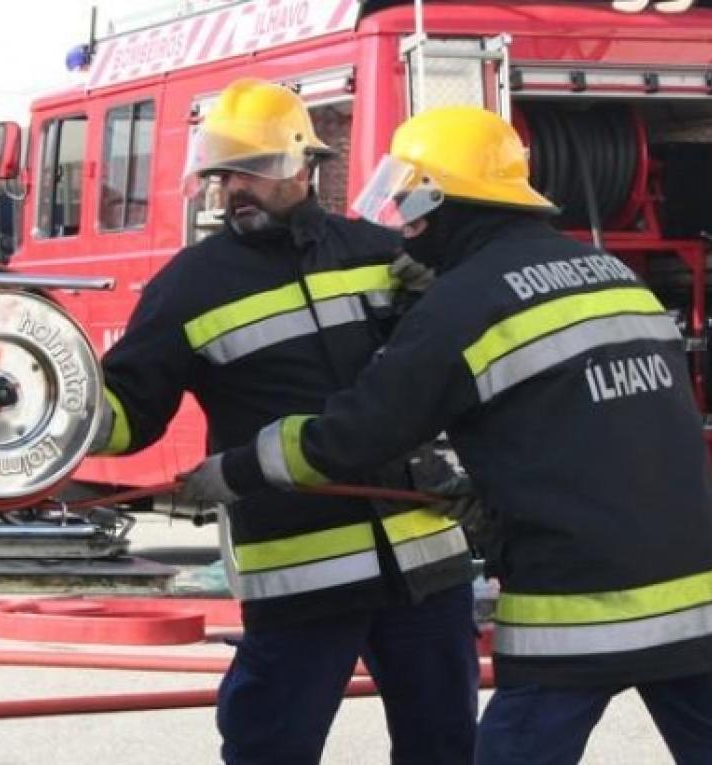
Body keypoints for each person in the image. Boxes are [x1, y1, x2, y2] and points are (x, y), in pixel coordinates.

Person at [180, 103, 712, 765]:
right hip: (696, 598)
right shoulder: (610, 273)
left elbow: (357, 433)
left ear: (444, 200)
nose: (404, 224)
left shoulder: (464, 303)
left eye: (410, 203)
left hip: (575, 606)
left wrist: (237, 470)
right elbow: (591, 427)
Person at [90, 79, 478, 764]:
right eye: (225, 173)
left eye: (254, 169)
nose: (235, 188)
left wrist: (442, 295)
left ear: (304, 166)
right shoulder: (189, 285)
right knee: (272, 748)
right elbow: (132, 411)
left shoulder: (379, 253)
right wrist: (67, 418)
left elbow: (451, 374)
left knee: (446, 748)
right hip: (302, 577)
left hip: (423, 566)